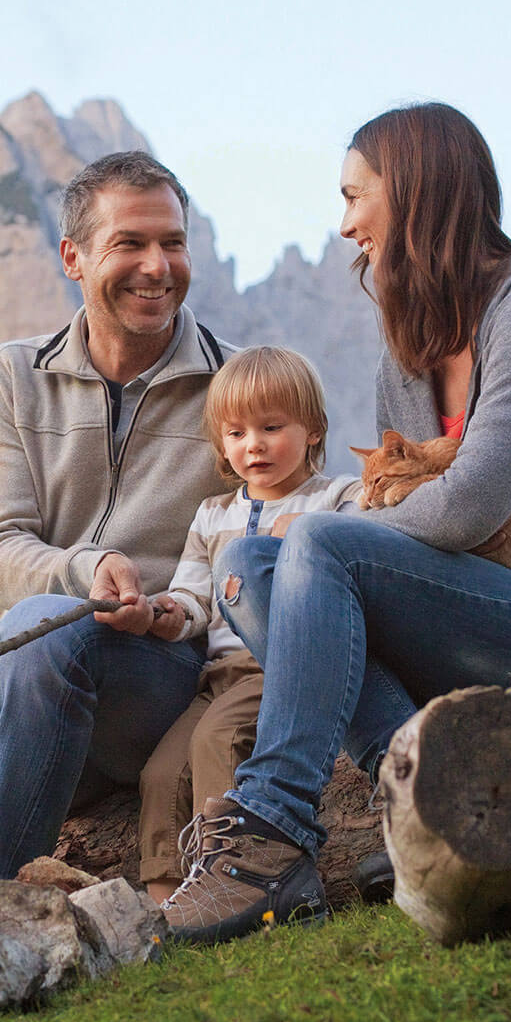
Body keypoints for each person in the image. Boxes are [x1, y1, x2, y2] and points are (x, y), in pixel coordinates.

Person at [163, 102, 511, 944]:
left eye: (354, 196)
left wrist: (330, 550)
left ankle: (269, 833)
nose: (343, 226)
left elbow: (474, 504)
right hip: (476, 619)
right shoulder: (405, 351)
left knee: (315, 542)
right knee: (245, 567)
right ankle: (416, 802)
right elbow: (409, 518)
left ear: (412, 195)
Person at [0, 150, 238, 888]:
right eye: (129, 244)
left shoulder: (236, 385)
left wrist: (171, 609)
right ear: (73, 257)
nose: (157, 266)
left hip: (162, 677)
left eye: (172, 242)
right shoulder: (15, 374)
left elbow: (272, 527)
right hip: (31, 680)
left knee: (45, 625)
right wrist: (86, 571)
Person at [137, 346, 360, 904]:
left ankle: (231, 882)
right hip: (217, 676)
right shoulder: (212, 515)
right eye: (235, 433)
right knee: (161, 773)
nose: (253, 445)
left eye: (271, 427)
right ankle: (165, 900)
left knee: (217, 740)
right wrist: (166, 614)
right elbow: (192, 596)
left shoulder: (336, 498)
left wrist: (311, 537)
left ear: (313, 431)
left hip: (279, 665)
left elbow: (363, 565)